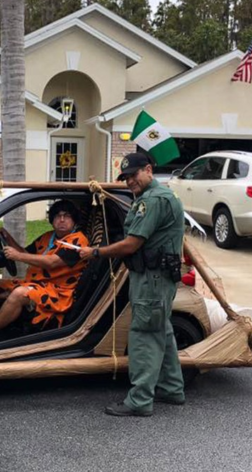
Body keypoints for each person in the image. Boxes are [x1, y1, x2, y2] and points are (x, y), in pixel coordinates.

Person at [78, 152, 186, 417]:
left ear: (148, 170)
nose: (129, 182)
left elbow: (132, 243)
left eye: (133, 175)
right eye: (125, 178)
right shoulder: (160, 197)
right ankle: (171, 388)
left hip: (152, 278)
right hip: (156, 277)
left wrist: (95, 253)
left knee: (144, 335)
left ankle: (139, 400)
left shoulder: (153, 201)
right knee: (161, 330)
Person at [0, 200, 89, 345]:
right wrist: (8, 238)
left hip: (58, 293)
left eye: (66, 216)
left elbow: (52, 262)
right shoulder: (49, 237)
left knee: (20, 293)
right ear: (52, 219)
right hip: (37, 284)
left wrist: (17, 256)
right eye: (57, 216)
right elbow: (25, 252)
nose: (61, 220)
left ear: (74, 219)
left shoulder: (77, 241)